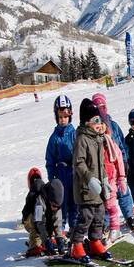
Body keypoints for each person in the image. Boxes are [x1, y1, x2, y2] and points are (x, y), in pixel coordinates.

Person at [68, 98, 114, 262]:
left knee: (100, 215)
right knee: (86, 216)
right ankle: (77, 245)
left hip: (99, 188)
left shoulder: (97, 139)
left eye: (99, 120)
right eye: (95, 120)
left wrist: (105, 180)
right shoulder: (82, 139)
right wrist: (89, 179)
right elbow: (78, 162)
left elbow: (101, 163)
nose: (98, 124)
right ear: (86, 122)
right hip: (86, 188)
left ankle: (95, 241)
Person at [93, 93, 134, 235]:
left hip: (117, 166)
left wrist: (124, 160)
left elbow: (121, 144)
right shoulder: (95, 127)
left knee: (123, 191)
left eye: (103, 107)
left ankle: (129, 216)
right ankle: (106, 223)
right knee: (106, 197)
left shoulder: (113, 125)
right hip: (104, 170)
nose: (102, 110)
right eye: (98, 107)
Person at [45, 94, 78, 230]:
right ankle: (60, 230)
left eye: (65, 116)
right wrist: (51, 178)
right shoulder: (54, 138)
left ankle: (75, 229)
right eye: (60, 117)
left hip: (74, 173)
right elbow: (50, 159)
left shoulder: (74, 134)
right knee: (61, 203)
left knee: (74, 203)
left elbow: (80, 153)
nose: (63, 120)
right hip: (60, 175)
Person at [21, 168, 65, 257]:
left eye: (58, 206)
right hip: (31, 221)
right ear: (49, 199)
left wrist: (59, 237)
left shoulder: (56, 201)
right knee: (37, 234)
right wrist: (46, 241)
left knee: (52, 221)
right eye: (54, 205)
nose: (55, 208)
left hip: (45, 218)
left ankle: (50, 238)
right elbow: (39, 224)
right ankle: (34, 245)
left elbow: (58, 221)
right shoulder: (39, 203)